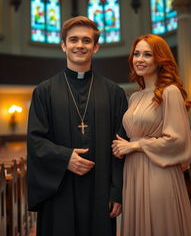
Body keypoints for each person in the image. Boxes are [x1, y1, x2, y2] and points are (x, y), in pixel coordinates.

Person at [27, 16, 128, 236]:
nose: (80, 45)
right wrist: (64, 158)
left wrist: (117, 192)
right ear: (63, 45)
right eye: (73, 40)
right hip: (59, 190)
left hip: (100, 190)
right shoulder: (44, 92)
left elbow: (122, 147)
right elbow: (35, 141)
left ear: (96, 46)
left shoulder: (114, 93)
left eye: (86, 40)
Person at [112, 34, 191, 236]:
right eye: (137, 54)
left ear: (160, 60)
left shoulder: (170, 92)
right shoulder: (134, 97)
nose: (139, 59)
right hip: (132, 172)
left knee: (160, 225)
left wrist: (134, 146)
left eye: (147, 55)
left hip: (159, 171)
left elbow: (178, 141)